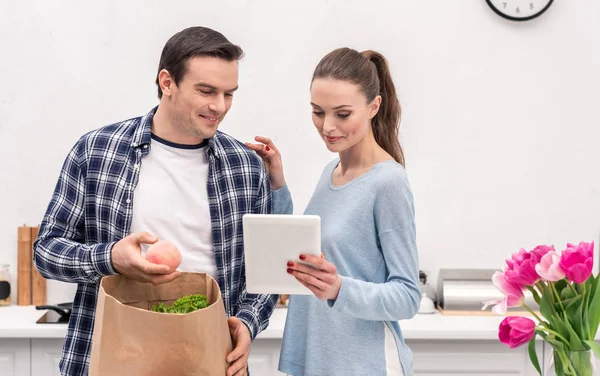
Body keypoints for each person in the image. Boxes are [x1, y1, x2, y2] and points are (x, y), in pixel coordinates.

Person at [33, 26, 277, 376]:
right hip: (111, 354)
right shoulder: (97, 151)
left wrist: (249, 323)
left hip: (211, 359)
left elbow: (266, 276)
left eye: (229, 94)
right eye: (206, 91)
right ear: (167, 82)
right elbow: (46, 253)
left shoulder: (246, 166)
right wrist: (111, 257)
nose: (219, 106)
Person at [246, 47, 421, 375]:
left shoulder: (388, 182)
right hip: (317, 357)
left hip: (361, 364)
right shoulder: (332, 171)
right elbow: (304, 255)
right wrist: (277, 183)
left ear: (374, 106)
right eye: (317, 111)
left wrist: (340, 288)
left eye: (342, 114)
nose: (327, 126)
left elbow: (408, 296)